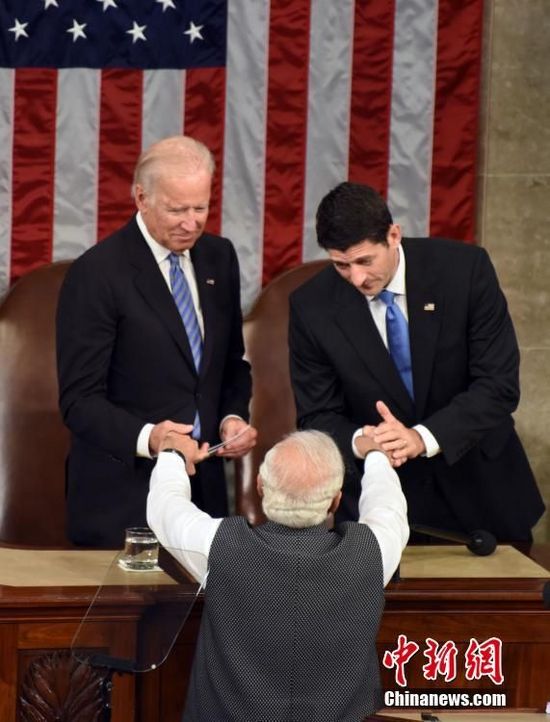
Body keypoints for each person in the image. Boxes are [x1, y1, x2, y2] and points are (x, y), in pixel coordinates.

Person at [288, 182, 545, 542]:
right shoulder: (310, 306)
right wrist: (366, 439)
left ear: (393, 235)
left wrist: (420, 437)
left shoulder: (465, 271)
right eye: (341, 265)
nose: (357, 278)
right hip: (382, 509)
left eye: (365, 261)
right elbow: (317, 415)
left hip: (482, 493)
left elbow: (498, 386)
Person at [56, 135, 256, 548]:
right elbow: (79, 401)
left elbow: (230, 365)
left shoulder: (219, 257)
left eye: (200, 207)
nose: (191, 223)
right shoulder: (97, 274)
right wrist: (153, 437)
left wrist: (231, 419)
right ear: (141, 197)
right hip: (124, 501)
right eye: (176, 209)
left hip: (204, 498)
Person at [147, 427, 408, 721]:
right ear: (336, 501)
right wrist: (374, 454)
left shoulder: (218, 547)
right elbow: (388, 507)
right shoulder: (372, 552)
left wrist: (172, 454)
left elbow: (165, 507)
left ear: (259, 487)